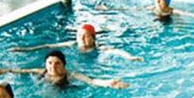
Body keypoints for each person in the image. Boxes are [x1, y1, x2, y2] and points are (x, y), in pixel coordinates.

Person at [0, 49, 129, 89]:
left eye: (57, 63)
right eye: (50, 63)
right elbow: (12, 71)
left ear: (64, 65)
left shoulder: (71, 75)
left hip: (65, 92)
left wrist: (109, 83)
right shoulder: (41, 72)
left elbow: (91, 81)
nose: (53, 66)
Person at [9, 23, 141, 60]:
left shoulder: (99, 48)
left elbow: (117, 51)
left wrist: (130, 57)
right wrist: (24, 49)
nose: (81, 39)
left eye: (85, 36)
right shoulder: (71, 44)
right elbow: (48, 46)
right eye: (79, 36)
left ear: (93, 38)